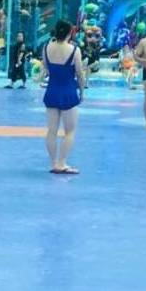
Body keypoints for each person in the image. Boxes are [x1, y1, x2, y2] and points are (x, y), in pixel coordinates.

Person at [42, 20, 84, 175]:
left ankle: (54, 163)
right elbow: (79, 73)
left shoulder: (46, 47)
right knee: (70, 131)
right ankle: (62, 162)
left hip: (51, 91)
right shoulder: (74, 50)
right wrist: (82, 91)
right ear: (69, 33)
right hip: (68, 92)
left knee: (51, 131)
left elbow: (46, 68)